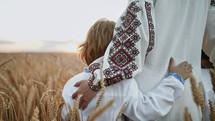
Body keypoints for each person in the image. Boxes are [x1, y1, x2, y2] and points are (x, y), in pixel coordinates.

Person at [72, 0, 215, 121]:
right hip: (189, 100)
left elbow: (134, 27)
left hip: (148, 102)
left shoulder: (73, 87)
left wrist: (97, 82)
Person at [62, 18, 192, 121]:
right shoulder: (123, 83)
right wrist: (175, 79)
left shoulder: (71, 83)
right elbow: (147, 110)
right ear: (120, 51)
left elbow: (64, 116)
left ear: (85, 51)